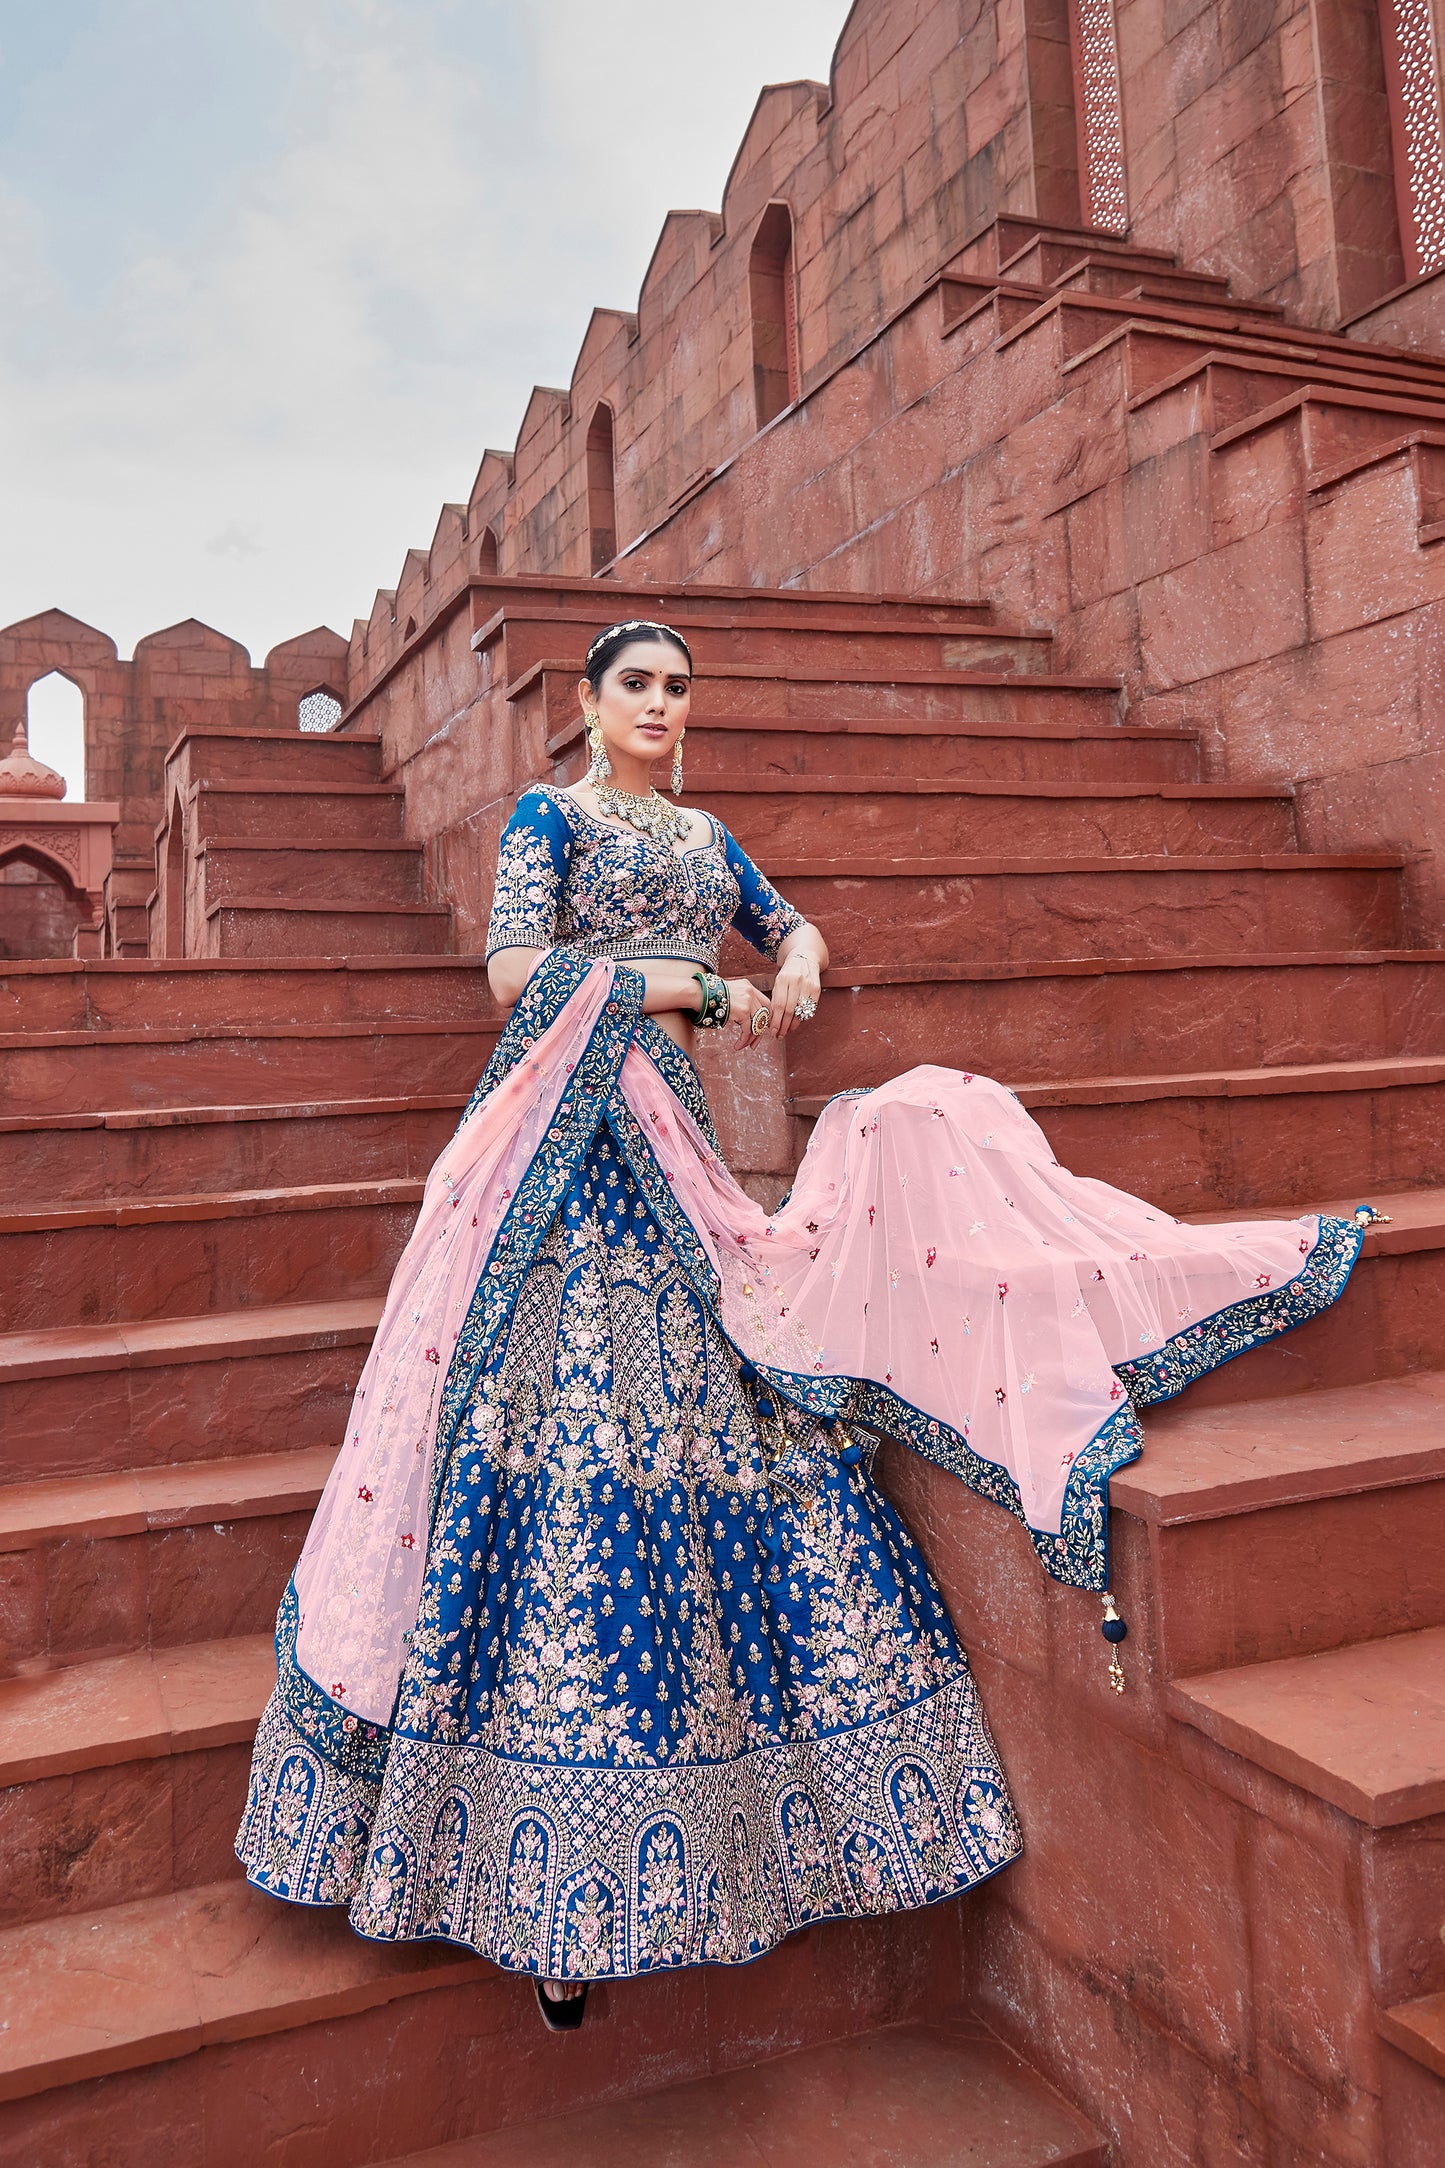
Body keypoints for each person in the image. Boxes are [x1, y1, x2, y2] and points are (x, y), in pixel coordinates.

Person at [237, 619, 1367, 2030]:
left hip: (673, 1145)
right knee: (557, 1441)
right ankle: (529, 1884)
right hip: (555, 1162)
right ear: (587, 702)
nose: (659, 706)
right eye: (636, 686)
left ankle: (779, 1823)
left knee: (730, 1409)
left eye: (677, 689)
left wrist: (802, 960)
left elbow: (787, 926)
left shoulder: (706, 838)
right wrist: (695, 986)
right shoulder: (550, 819)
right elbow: (515, 975)